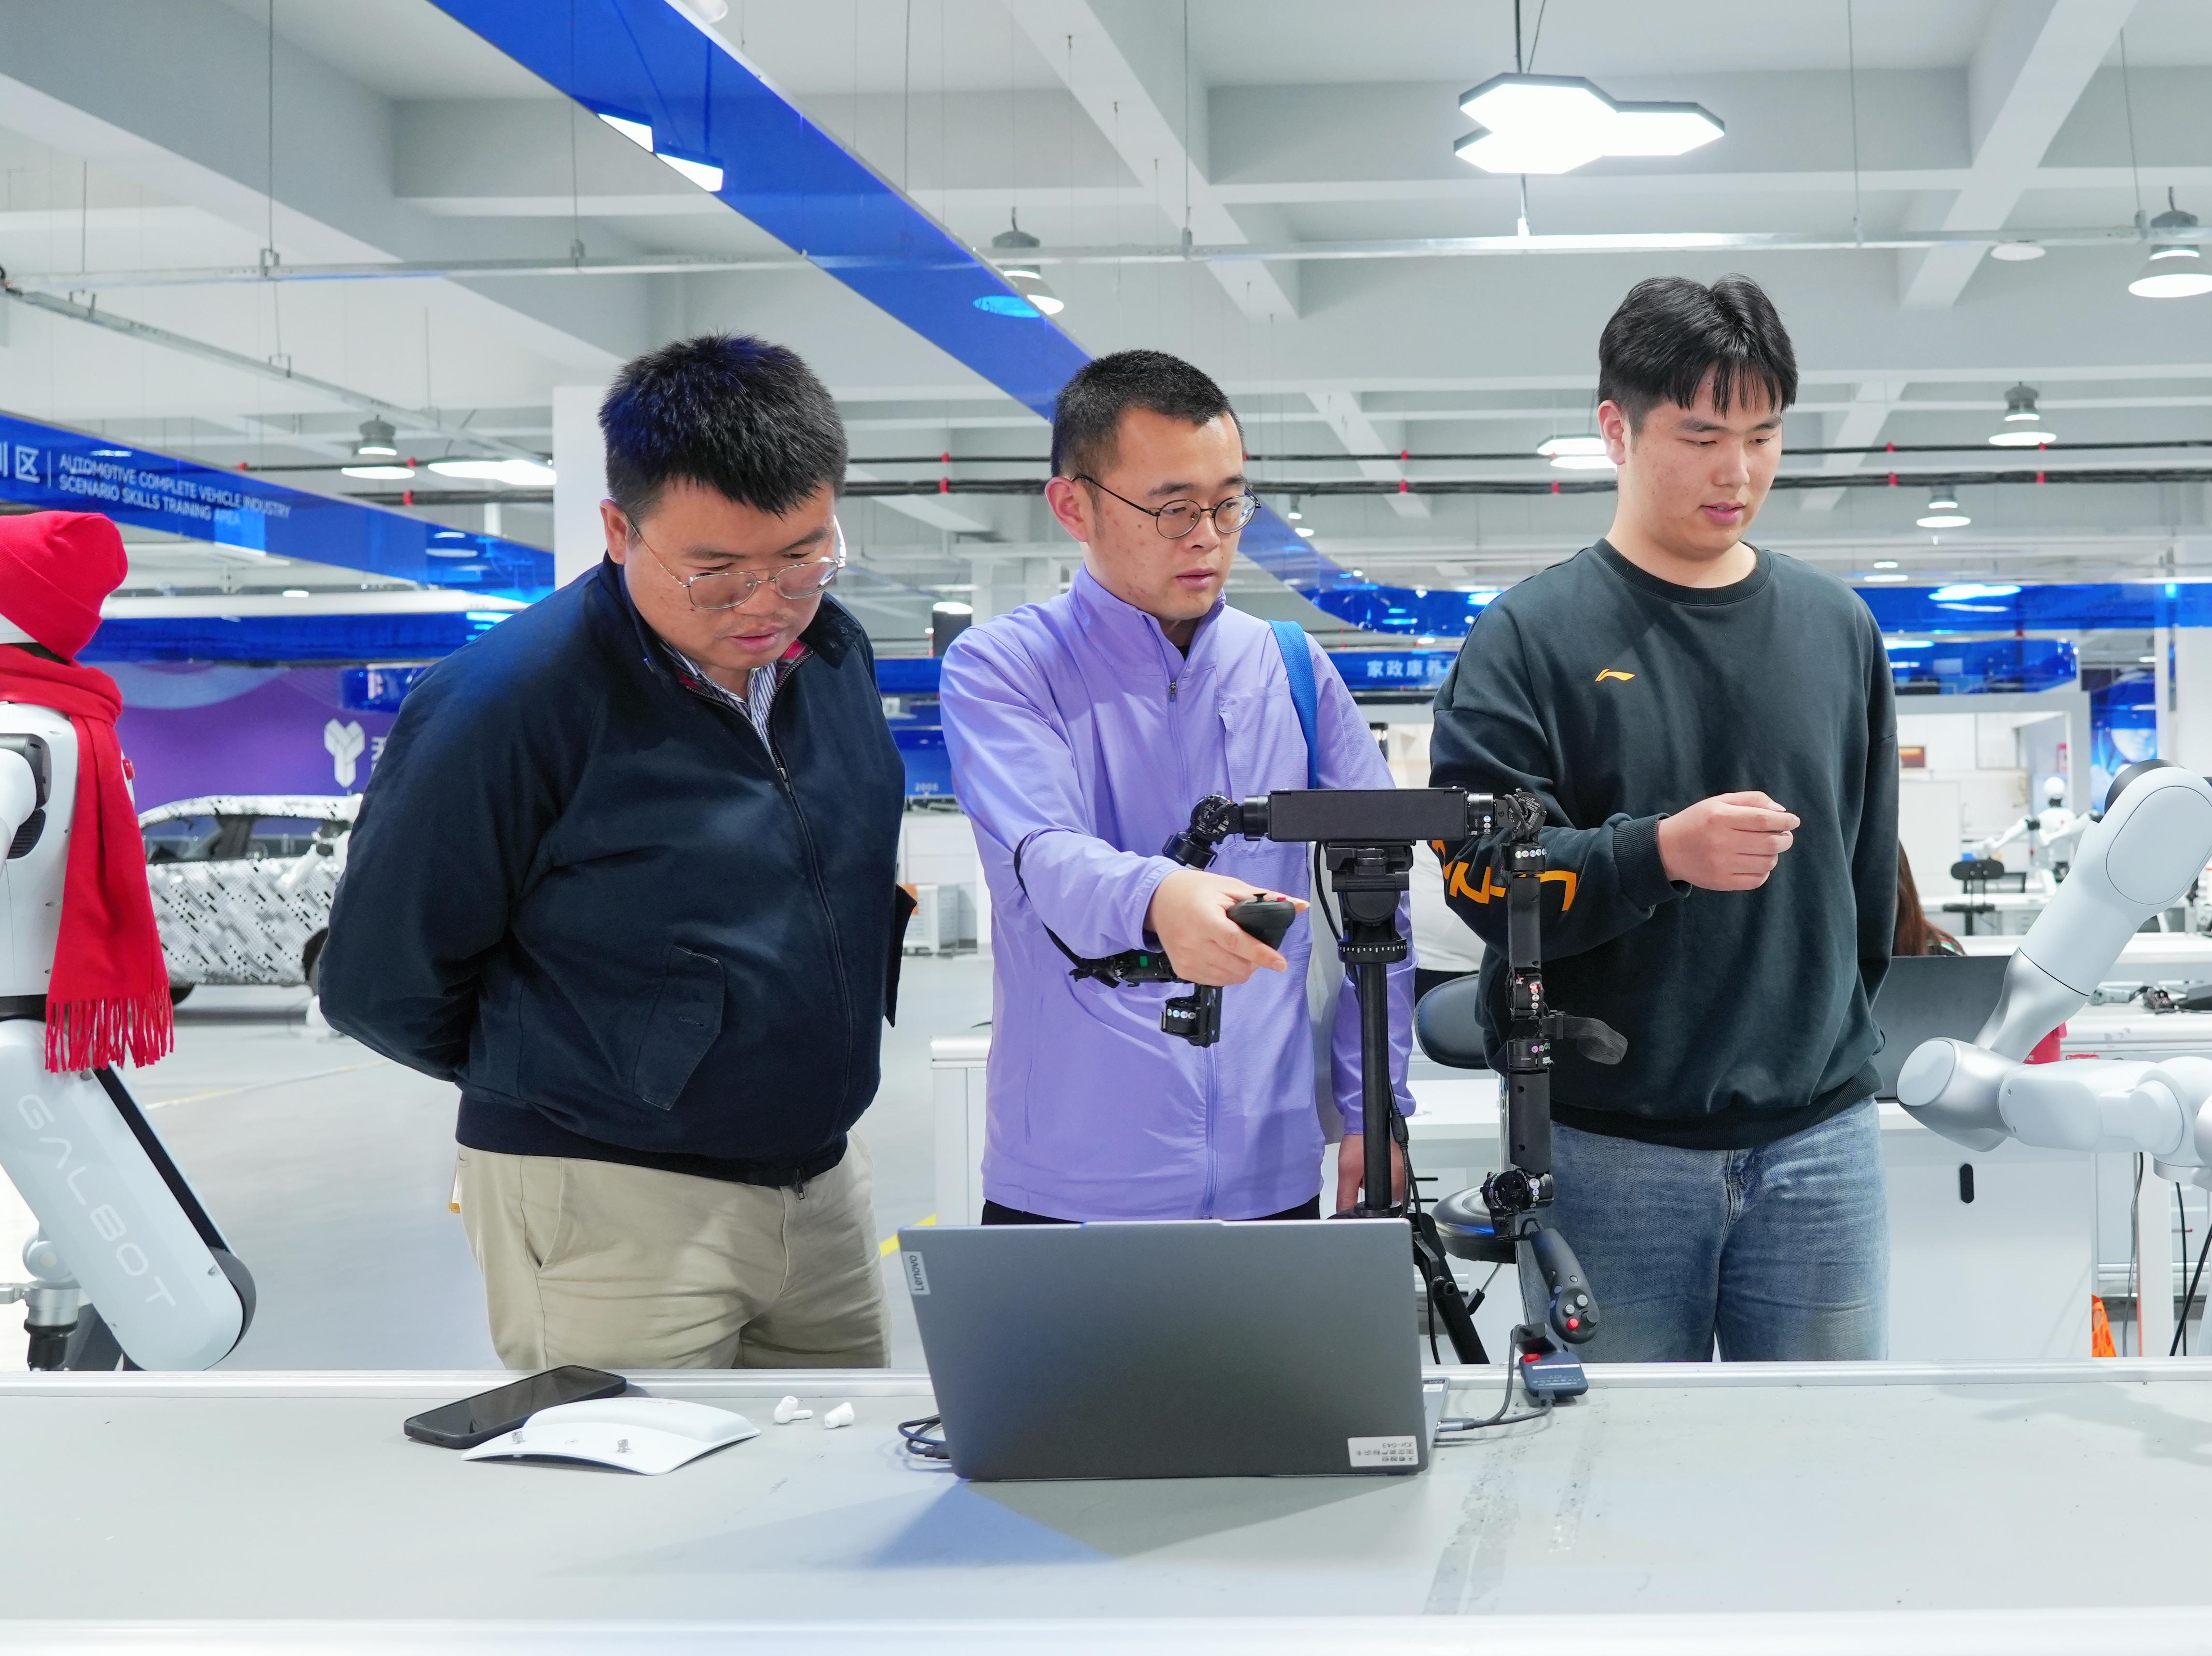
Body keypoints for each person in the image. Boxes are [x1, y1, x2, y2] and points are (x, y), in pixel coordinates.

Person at [324, 335, 905, 1371]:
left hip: (820, 1186)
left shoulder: (834, 656)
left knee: (835, 1468)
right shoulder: (508, 704)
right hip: (610, 1203)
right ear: (617, 530)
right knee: (637, 1475)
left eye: (802, 557)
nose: (766, 602)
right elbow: (379, 980)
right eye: (714, 571)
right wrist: (590, 1071)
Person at [1430, 274, 1899, 1362]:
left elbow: (1865, 883)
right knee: (1612, 1460)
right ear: (1617, 430)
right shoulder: (1527, 640)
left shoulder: (1837, 630)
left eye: (1763, 435)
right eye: (1700, 436)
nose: (1738, 471)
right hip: (1609, 1153)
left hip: (1820, 1144)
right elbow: (1482, 880)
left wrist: (1819, 1044)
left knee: (1830, 1452)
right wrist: (1655, 854)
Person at [942, 348, 1412, 1224]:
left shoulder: (1292, 669)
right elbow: (1045, 855)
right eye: (1172, 508)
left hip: (1271, 1174)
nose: (1208, 536)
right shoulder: (1004, 667)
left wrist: (1372, 1106)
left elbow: (1379, 902)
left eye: (1229, 503)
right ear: (1073, 505)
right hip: (1074, 1178)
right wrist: (1161, 897)